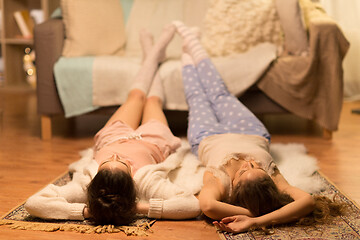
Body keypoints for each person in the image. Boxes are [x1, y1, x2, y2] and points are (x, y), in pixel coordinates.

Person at [25, 24, 201, 226]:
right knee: (152, 101)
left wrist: (85, 211)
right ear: (131, 188)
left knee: (136, 95)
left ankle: (151, 53)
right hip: (153, 138)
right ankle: (154, 53)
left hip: (113, 135)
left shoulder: (84, 185)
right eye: (122, 164)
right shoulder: (147, 184)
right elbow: (191, 205)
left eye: (109, 161)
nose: (116, 156)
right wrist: (137, 208)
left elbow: (34, 203)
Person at [173, 21, 317, 233]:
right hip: (249, 130)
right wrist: (262, 217)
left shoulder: (221, 184)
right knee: (220, 92)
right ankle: (193, 42)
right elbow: (308, 201)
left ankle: (186, 52)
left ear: (235, 189)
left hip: (207, 135)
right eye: (256, 167)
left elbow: (207, 206)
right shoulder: (275, 178)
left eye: (242, 173)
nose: (248, 163)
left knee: (197, 98)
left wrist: (252, 218)